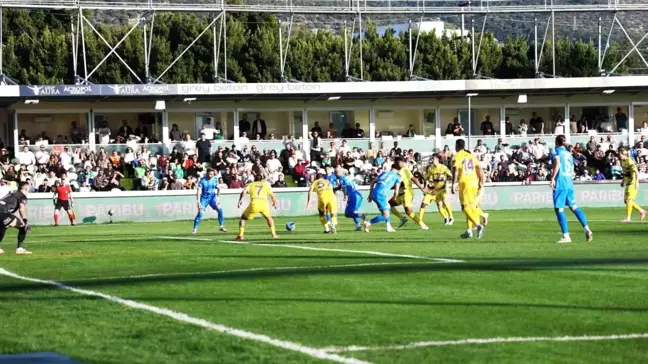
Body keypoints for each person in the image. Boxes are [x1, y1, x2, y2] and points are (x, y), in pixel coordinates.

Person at [550, 135, 593, 243]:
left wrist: (552, 178)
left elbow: (557, 164)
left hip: (561, 182)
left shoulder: (556, 151)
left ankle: (566, 236)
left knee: (559, 209)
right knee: (574, 207)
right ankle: (587, 229)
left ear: (556, 142)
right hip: (569, 182)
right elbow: (573, 168)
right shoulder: (569, 154)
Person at [452, 139, 485, 239]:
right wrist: (481, 181)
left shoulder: (457, 156)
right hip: (474, 182)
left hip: (465, 183)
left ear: (457, 146)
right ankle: (469, 230)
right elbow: (479, 168)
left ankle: (478, 225)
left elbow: (456, 170)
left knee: (465, 207)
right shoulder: (471, 155)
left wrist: (453, 184)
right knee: (470, 207)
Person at [236, 174, 279, 241]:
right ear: (261, 179)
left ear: (254, 179)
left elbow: (243, 191)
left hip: (255, 203)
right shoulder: (265, 185)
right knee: (269, 218)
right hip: (264, 203)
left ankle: (241, 235)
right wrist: (275, 203)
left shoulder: (251, 184)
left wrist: (240, 200)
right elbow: (272, 195)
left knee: (243, 218)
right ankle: (274, 234)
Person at [364, 157, 403, 233]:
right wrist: (395, 198)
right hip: (381, 195)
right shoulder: (397, 177)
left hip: (375, 193)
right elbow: (396, 191)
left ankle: (388, 227)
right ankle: (369, 222)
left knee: (387, 209)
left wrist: (370, 194)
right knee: (386, 215)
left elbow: (372, 182)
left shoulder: (384, 173)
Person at [390, 158, 427, 229]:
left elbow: (414, 179)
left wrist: (422, 188)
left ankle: (422, 225)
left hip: (407, 193)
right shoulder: (393, 171)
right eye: (396, 163)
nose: (398, 164)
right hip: (399, 194)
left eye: (399, 162)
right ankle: (402, 218)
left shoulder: (405, 170)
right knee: (388, 205)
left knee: (408, 211)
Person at [420, 154, 454, 226]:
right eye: (432, 159)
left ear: (437, 159)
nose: (432, 160)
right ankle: (446, 217)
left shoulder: (443, 167)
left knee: (445, 201)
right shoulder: (431, 168)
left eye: (434, 159)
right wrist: (422, 176)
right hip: (436, 190)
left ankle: (451, 217)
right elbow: (426, 177)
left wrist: (450, 181)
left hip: (443, 188)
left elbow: (450, 175)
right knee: (439, 206)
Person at [0, 182, 31, 255]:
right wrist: (25, 221)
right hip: (3, 213)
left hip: (2, 212)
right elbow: (21, 209)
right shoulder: (22, 196)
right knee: (23, 226)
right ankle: (19, 249)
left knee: (4, 226)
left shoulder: (13, 193)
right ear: (26, 188)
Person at [192, 168, 227, 234]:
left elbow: (218, 187)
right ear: (207, 173)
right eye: (210, 174)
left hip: (212, 197)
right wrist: (198, 201)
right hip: (204, 198)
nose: (211, 175)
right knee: (200, 213)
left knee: (220, 210)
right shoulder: (202, 180)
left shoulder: (215, 179)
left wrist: (218, 197)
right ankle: (195, 229)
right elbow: (198, 191)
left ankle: (221, 226)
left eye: (212, 174)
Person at [619, 148, 647, 222]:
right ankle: (642, 211)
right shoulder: (622, 161)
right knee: (626, 201)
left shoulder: (630, 161)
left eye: (620, 154)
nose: (619, 156)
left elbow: (636, 172)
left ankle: (628, 218)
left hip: (632, 182)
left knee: (629, 200)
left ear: (623, 154)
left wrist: (637, 182)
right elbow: (625, 172)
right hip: (627, 182)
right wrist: (623, 181)